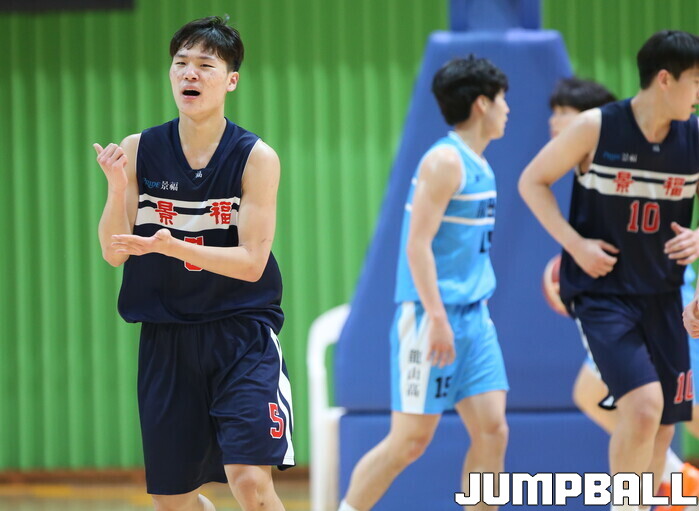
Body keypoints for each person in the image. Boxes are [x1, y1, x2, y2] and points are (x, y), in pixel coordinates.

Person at [94, 16, 293, 511]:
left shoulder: (256, 157)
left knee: (250, 481)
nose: (190, 73)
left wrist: (175, 246)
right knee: (172, 503)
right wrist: (117, 189)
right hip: (167, 338)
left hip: (241, 334)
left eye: (205, 65)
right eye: (181, 63)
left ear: (231, 80)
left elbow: (251, 263)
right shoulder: (140, 149)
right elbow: (114, 251)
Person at [519, 31, 699, 511]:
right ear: (666, 79)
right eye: (696, 82)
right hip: (604, 295)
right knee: (642, 408)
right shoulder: (596, 128)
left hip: (665, 295)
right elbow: (531, 181)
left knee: (663, 427)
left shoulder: (694, 137)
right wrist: (575, 244)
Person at [337, 55, 510, 511]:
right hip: (432, 317)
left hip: (475, 318)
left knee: (493, 430)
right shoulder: (444, 161)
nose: (507, 109)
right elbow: (417, 246)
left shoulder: (481, 164)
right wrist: (437, 318)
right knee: (409, 441)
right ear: (482, 104)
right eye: (502, 99)